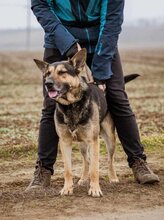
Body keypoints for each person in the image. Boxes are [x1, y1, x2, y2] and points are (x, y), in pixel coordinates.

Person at [26, 0, 159, 191]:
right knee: (51, 103)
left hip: (101, 38)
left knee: (117, 97)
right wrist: (70, 45)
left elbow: (112, 19)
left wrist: (102, 70)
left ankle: (138, 162)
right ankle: (43, 170)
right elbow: (41, 6)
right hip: (59, 36)